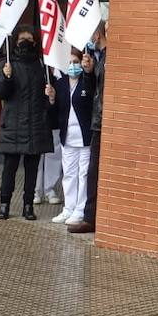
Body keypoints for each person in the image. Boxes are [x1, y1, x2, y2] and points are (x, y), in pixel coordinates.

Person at [0, 25, 55, 220]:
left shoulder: (42, 64)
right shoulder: (7, 63)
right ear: (15, 42)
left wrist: (51, 96)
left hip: (36, 124)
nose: (26, 43)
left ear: (36, 42)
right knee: (9, 169)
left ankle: (28, 206)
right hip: (13, 124)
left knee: (32, 170)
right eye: (22, 40)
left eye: (30, 40)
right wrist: (6, 77)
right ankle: (4, 204)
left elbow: (49, 98)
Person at [68, 24, 106, 235]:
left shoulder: (109, 58)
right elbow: (94, 91)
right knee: (92, 172)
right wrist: (89, 73)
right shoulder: (99, 59)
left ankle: (91, 216)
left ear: (96, 35)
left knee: (91, 171)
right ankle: (89, 217)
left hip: (103, 122)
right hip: (97, 121)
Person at [50, 46, 94, 227]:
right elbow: (54, 113)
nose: (72, 66)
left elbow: (92, 99)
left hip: (85, 138)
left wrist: (89, 72)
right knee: (69, 174)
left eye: (75, 62)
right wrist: (51, 99)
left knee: (83, 174)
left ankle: (80, 210)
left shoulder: (87, 82)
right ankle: (68, 208)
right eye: (69, 63)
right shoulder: (60, 85)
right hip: (67, 137)